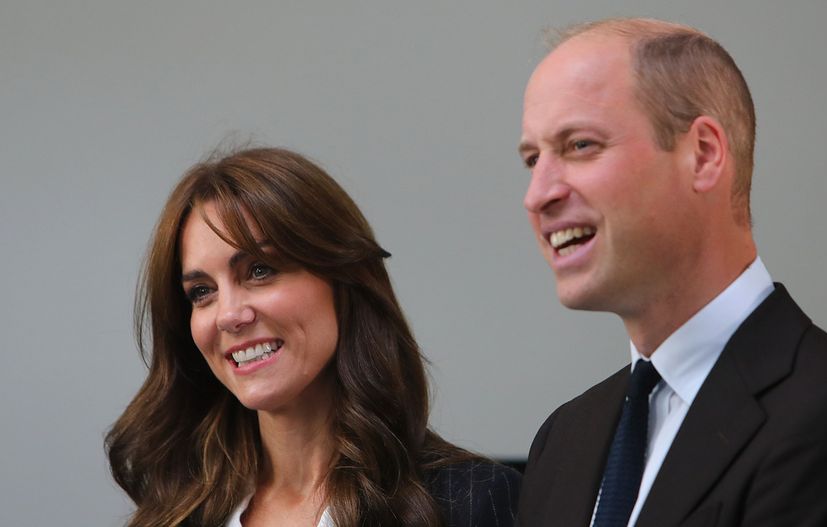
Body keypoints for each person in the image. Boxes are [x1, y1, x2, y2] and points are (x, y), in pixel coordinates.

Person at [515, 17, 827, 527]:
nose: (538, 194)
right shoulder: (563, 441)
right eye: (532, 159)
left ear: (704, 154)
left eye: (580, 145)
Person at [106, 147, 519, 527]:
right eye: (201, 292)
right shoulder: (172, 517)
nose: (229, 315)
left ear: (343, 277)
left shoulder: (473, 503)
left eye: (260, 270)